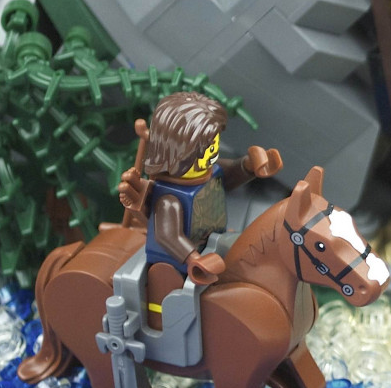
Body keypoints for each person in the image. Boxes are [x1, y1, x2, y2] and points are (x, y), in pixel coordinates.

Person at [120, 92, 282, 327]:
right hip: (177, 261)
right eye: (207, 147)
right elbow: (168, 235)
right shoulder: (169, 198)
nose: (214, 151)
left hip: (213, 243)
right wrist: (193, 259)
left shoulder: (210, 172)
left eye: (215, 144)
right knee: (168, 286)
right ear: (180, 152)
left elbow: (229, 176)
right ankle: (169, 327)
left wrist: (250, 166)